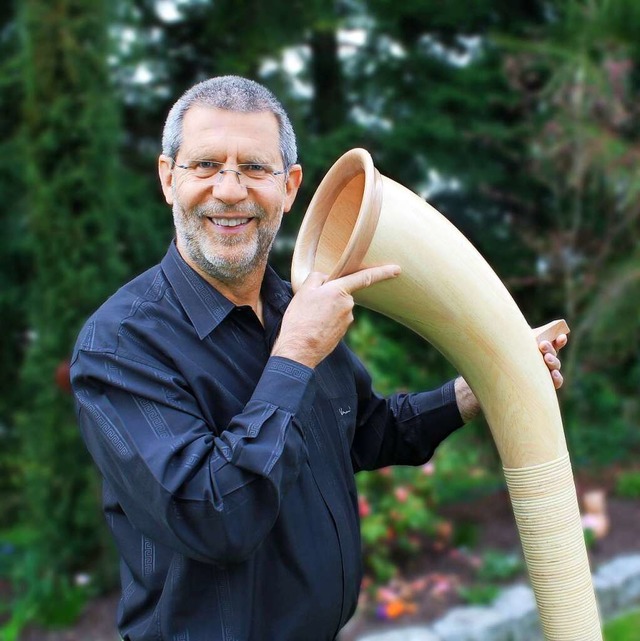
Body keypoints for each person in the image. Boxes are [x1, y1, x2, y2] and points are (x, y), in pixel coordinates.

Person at [70, 76, 567, 641]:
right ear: (167, 179)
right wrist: (295, 355)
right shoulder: (120, 344)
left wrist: (473, 389)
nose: (230, 191)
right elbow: (213, 517)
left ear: (290, 187)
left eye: (255, 168)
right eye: (205, 165)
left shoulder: (297, 306)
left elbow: (364, 431)